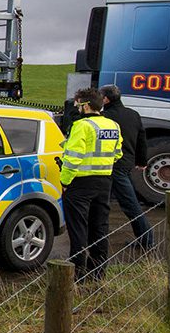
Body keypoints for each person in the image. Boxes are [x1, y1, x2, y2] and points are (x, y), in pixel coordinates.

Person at [60, 87, 123, 280]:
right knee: (100, 226)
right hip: (104, 182)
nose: (77, 107)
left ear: (86, 105)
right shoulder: (113, 125)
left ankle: (77, 273)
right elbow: (117, 153)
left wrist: (65, 181)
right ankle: (98, 271)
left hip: (80, 183)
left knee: (78, 229)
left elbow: (73, 158)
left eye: (78, 103)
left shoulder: (82, 126)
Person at [100, 85, 153, 249]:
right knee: (128, 201)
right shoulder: (133, 114)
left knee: (129, 204)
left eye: (101, 96)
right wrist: (141, 161)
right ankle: (144, 238)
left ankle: (146, 239)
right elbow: (142, 139)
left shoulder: (105, 117)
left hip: (113, 165)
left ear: (106, 99)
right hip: (127, 163)